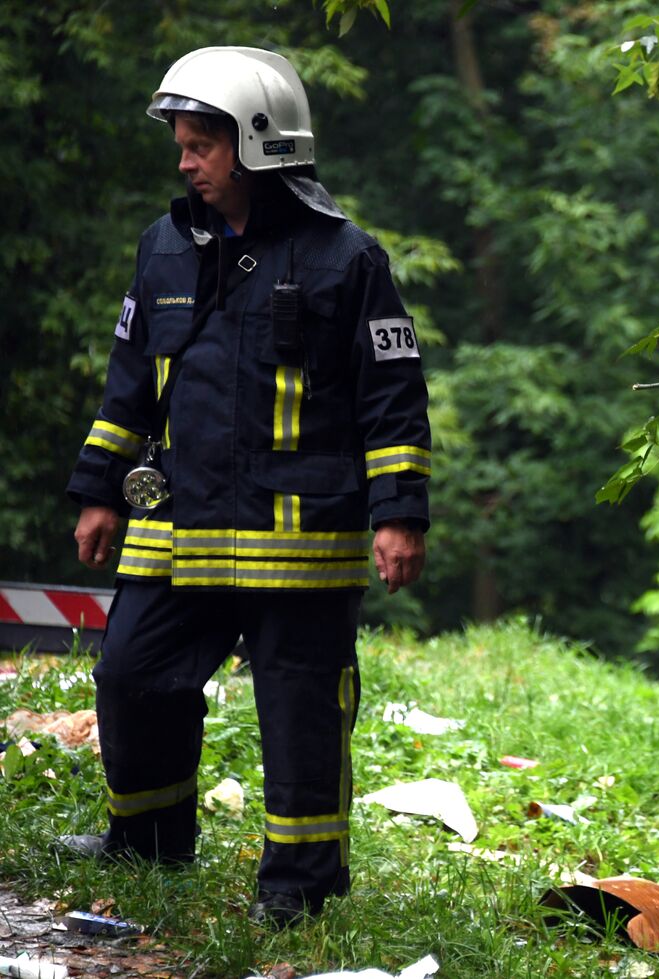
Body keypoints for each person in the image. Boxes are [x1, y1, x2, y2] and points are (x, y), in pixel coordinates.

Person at [64, 47, 431, 927]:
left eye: (202, 145)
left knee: (302, 711)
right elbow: (128, 382)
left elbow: (393, 398)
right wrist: (101, 489)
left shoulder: (347, 259)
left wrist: (400, 513)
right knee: (130, 674)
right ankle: (147, 841)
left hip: (299, 538)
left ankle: (299, 890)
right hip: (178, 527)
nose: (185, 161)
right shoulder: (163, 245)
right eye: (181, 144)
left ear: (262, 145)